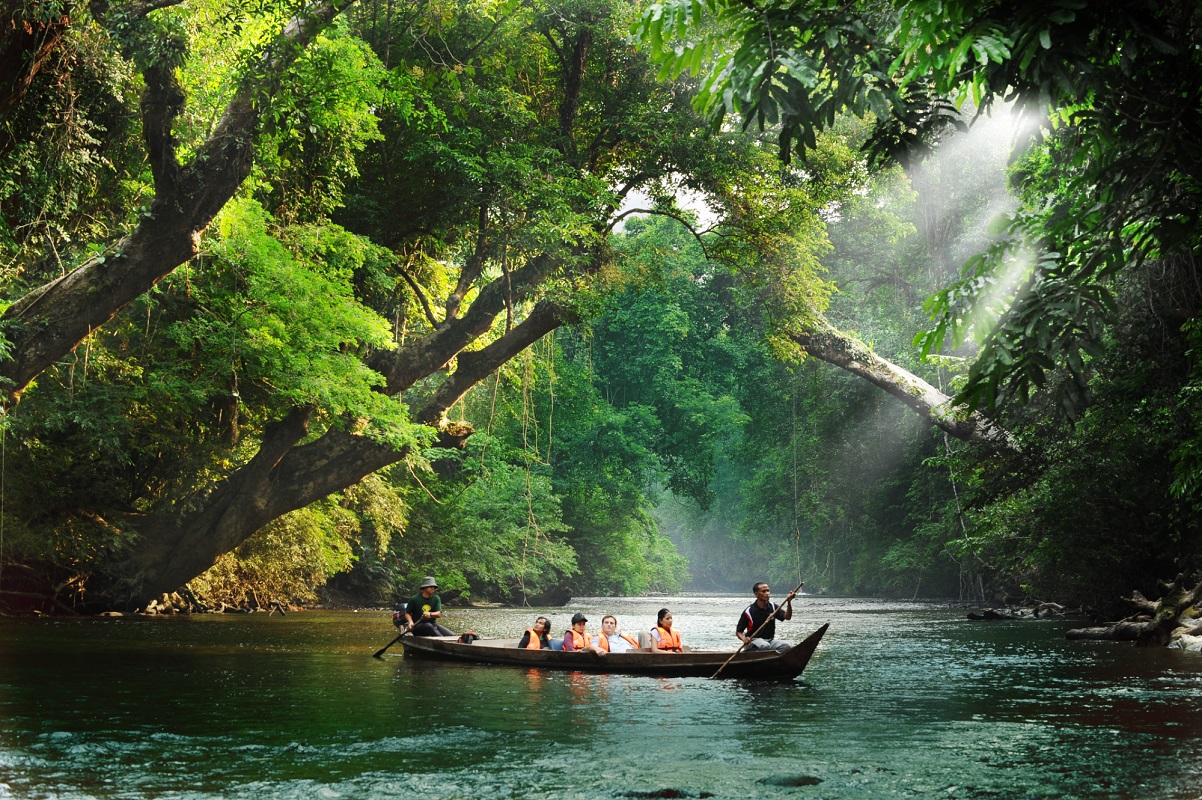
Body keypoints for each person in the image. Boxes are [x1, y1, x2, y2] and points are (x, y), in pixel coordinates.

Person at [736, 581, 801, 652]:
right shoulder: (749, 611)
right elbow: (739, 632)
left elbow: (787, 617)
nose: (767, 593)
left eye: (768, 591)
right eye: (763, 591)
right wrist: (744, 639)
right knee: (764, 645)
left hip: (769, 641)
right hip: (754, 641)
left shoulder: (772, 606)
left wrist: (789, 601)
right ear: (756, 594)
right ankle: (750, 652)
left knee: (786, 646)